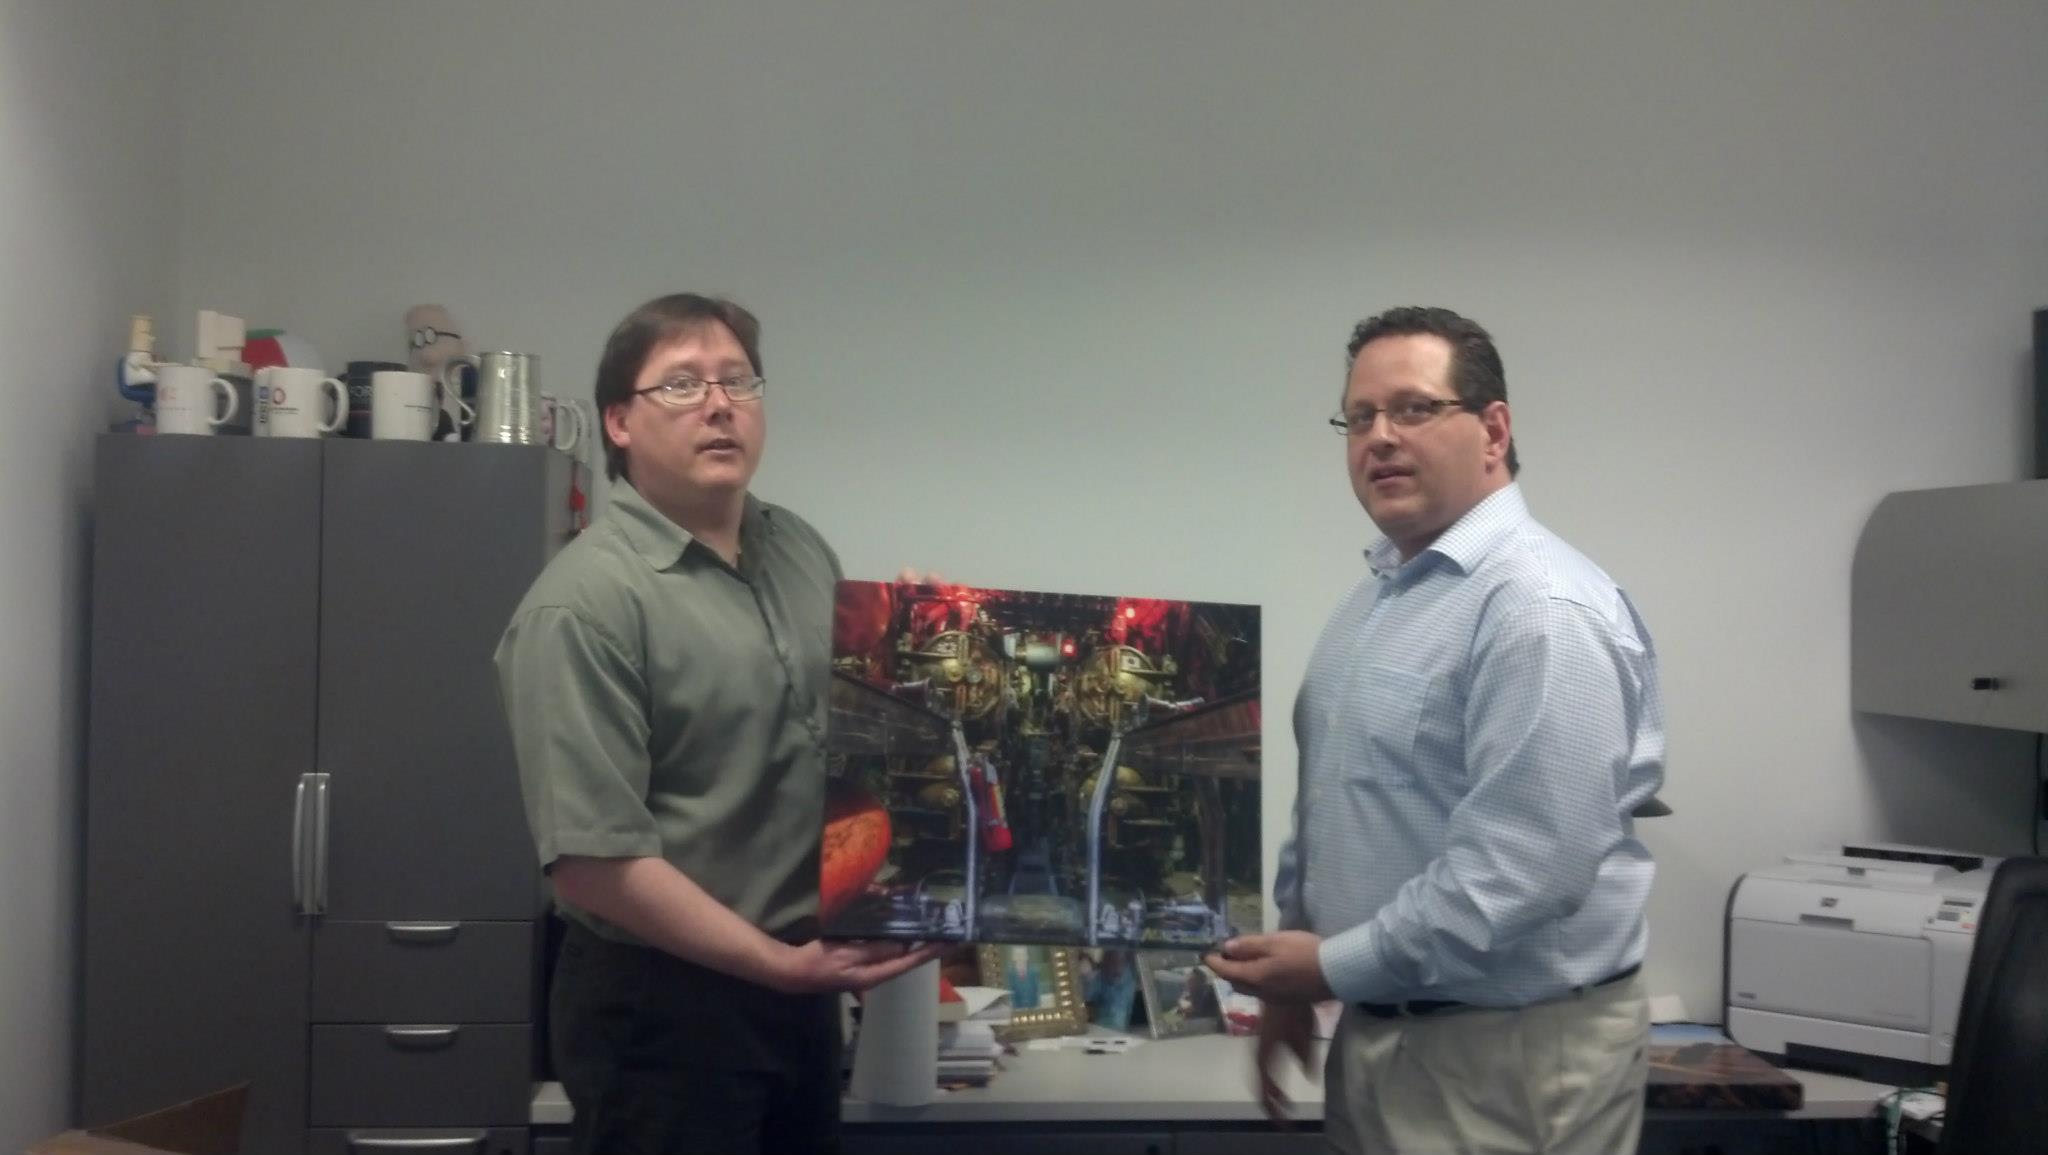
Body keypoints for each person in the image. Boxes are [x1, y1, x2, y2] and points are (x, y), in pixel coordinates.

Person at [1206, 307, 1665, 1154]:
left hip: (1510, 1060)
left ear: (1494, 430)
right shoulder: (1381, 599)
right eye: (1360, 416)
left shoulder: (1540, 610)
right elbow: (1333, 808)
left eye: (1414, 408)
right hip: (1383, 1027)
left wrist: (1328, 968)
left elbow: (1519, 873)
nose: (1379, 437)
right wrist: (1288, 985)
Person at [495, 292, 938, 1155]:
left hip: (801, 988)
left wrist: (916, 648)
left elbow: (842, 742)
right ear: (618, 421)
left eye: (738, 379)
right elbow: (593, 862)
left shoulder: (801, 550)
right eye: (682, 384)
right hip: (663, 1011)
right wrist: (775, 966)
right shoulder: (584, 605)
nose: (719, 402)